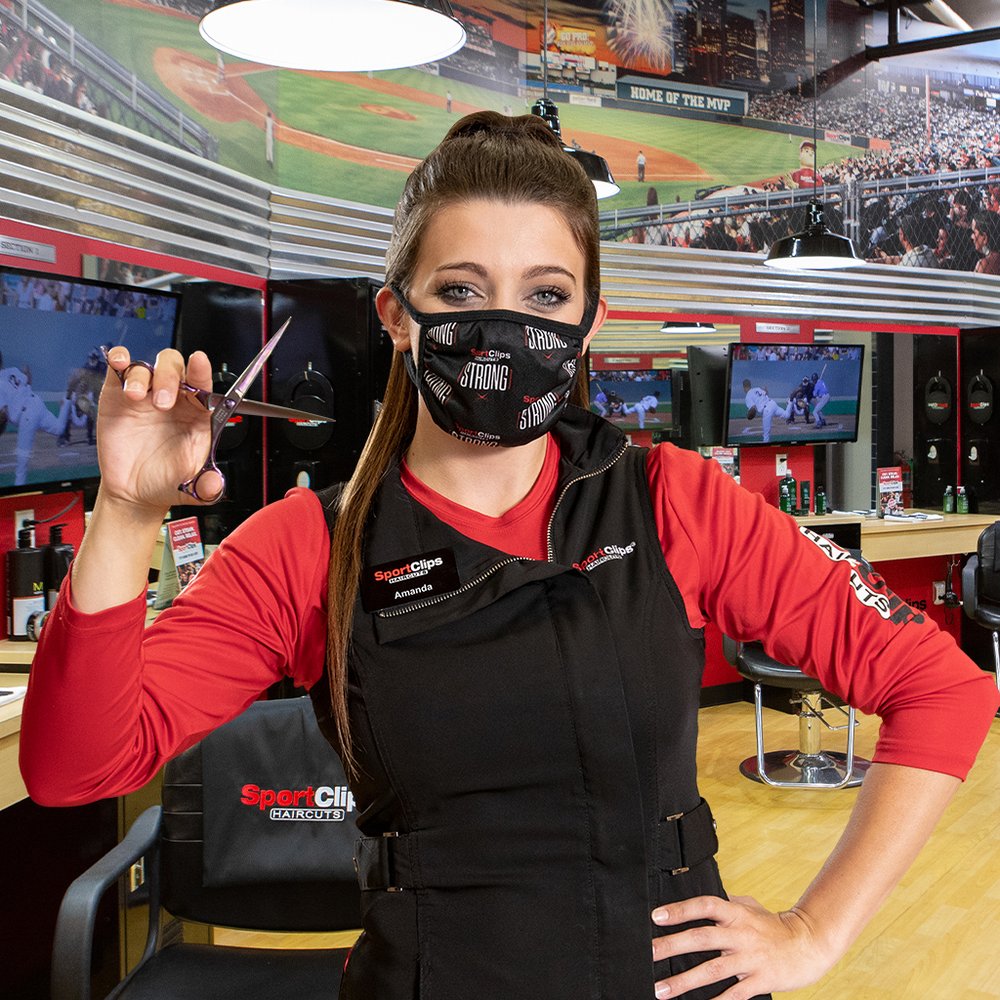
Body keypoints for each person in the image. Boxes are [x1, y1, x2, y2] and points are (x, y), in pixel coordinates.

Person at [19, 112, 999, 1000]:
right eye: (460, 290)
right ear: (395, 315)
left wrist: (814, 931)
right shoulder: (311, 544)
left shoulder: (675, 499)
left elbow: (943, 689)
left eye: (545, 293)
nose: (504, 323)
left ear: (587, 323)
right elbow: (76, 767)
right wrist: (126, 509)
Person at [0, 362, 73, 485]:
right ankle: (68, 397)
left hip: (26, 415)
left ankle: (19, 493)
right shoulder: (13, 370)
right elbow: (28, 381)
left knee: (22, 462)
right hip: (36, 403)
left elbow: (3, 413)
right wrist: (27, 372)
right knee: (59, 428)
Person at [742, 377, 792, 443]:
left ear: (744, 387)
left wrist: (748, 416)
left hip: (767, 410)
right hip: (772, 403)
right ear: (750, 385)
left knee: (766, 434)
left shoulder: (748, 397)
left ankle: (765, 447)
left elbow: (753, 409)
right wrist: (765, 390)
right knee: (787, 415)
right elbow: (766, 393)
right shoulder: (757, 388)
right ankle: (790, 401)